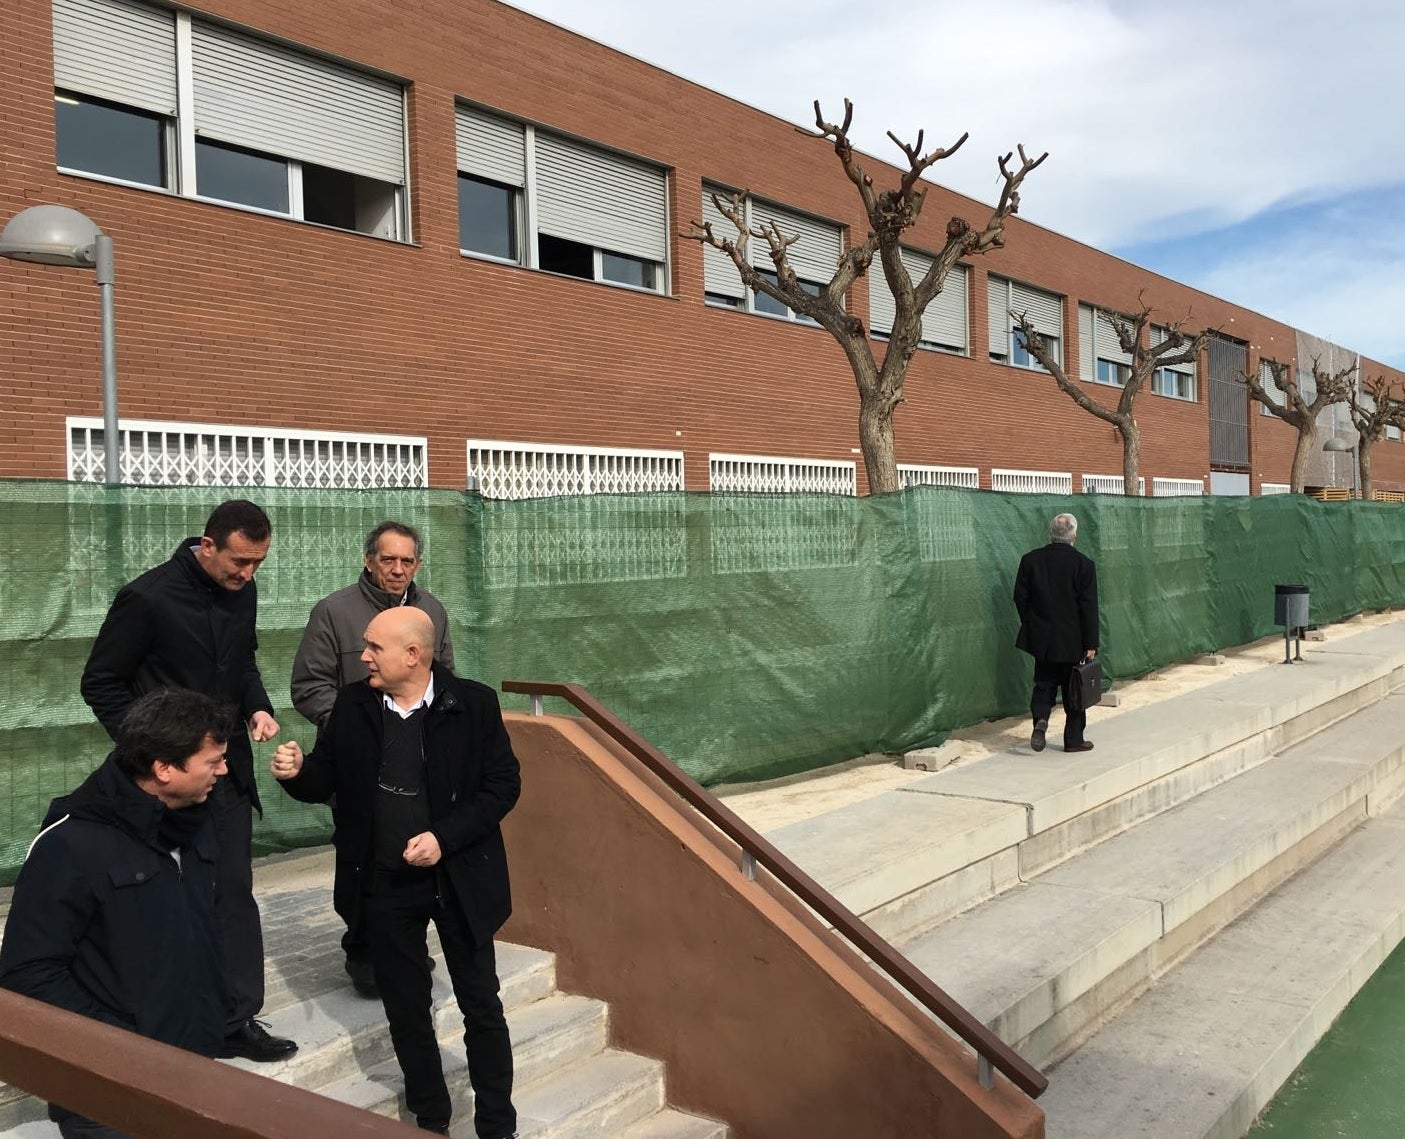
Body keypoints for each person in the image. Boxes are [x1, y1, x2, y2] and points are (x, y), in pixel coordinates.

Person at [272, 607, 519, 1138]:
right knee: (406, 1011)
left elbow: (502, 787)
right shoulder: (354, 704)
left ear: (413, 654)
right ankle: (431, 1121)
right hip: (384, 885)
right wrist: (297, 774)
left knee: (482, 1007)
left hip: (459, 883)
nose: (362, 657)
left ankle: (498, 1125)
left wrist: (443, 839)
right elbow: (326, 779)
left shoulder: (473, 704)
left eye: (373, 648)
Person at [78, 499, 296, 1062]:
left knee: (232, 893)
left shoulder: (241, 592)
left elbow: (241, 663)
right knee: (165, 900)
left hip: (228, 773)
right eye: (239, 562)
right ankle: (159, 1020)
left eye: (257, 565)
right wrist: (155, 754)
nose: (247, 576)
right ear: (207, 545)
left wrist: (258, 707)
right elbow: (101, 682)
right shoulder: (146, 598)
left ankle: (235, 1019)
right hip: (164, 783)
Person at [0, 689, 236, 1139]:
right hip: (108, 1094)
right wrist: (123, 1043)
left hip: (194, 1062)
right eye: (214, 761)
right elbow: (27, 973)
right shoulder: (68, 846)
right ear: (164, 769)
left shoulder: (198, 821)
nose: (224, 772)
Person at [289, 520, 455, 997]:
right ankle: (362, 950)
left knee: (418, 855)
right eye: (388, 560)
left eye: (407, 561)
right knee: (361, 858)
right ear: (369, 560)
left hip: (419, 765)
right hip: (358, 766)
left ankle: (410, 947)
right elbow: (308, 686)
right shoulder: (334, 612)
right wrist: (356, 725)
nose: (397, 570)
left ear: (418, 564)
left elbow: (444, 681)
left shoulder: (433, 613)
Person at [1013, 511, 1100, 754]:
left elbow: (1020, 597)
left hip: (1041, 638)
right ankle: (1073, 740)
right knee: (1075, 689)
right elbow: (1088, 606)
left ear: (1051, 533)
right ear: (1074, 535)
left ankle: (1041, 718)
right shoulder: (1084, 565)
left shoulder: (1030, 561)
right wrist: (1091, 642)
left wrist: (1031, 623)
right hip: (1074, 639)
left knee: (1043, 682)